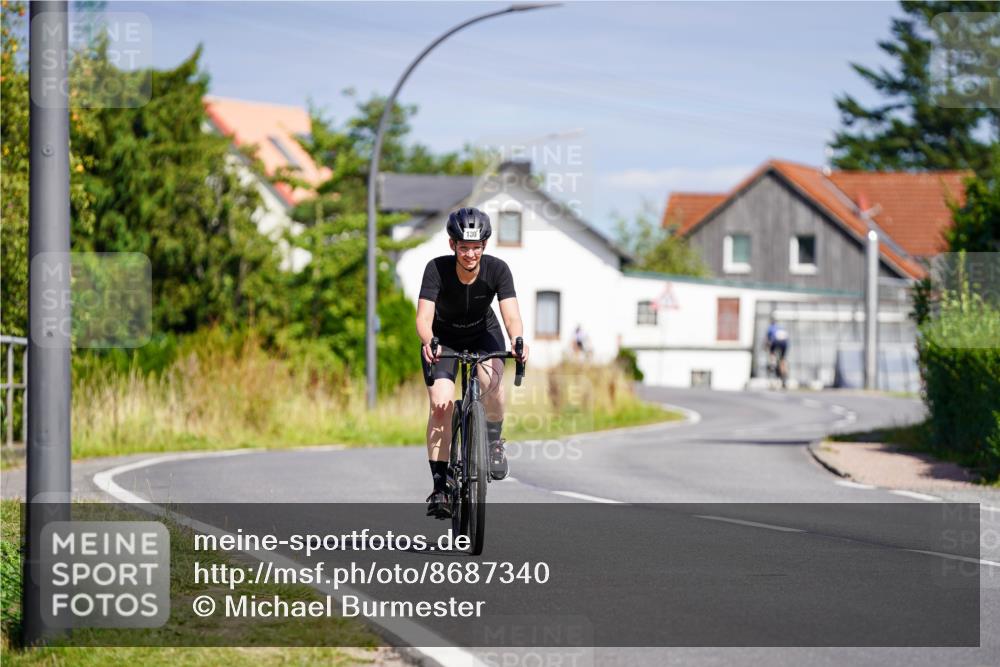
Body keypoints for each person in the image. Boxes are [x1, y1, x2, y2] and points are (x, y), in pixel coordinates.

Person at [416, 207, 529, 519]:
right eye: (464, 247)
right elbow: (424, 318)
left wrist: (518, 341)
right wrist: (429, 341)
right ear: (453, 245)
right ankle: (441, 485)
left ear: (485, 245)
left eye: (476, 247)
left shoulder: (498, 270)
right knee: (441, 405)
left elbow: (511, 316)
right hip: (444, 339)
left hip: (484, 334)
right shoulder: (436, 270)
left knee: (492, 384)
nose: (470, 254)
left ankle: (493, 443)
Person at [765, 314, 789, 386]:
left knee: (772, 352)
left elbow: (768, 340)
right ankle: (784, 373)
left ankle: (773, 364)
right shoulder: (780, 327)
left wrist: (766, 347)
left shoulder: (770, 328)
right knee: (782, 359)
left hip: (775, 341)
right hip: (784, 343)